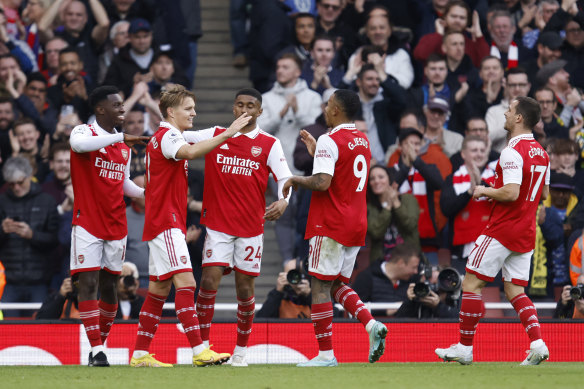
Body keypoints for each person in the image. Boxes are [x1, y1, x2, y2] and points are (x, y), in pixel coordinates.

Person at [130, 85, 251, 368]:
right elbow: (192, 152)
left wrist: (236, 125)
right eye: (188, 108)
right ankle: (199, 350)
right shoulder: (170, 136)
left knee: (159, 290)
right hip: (166, 222)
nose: (194, 113)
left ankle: (139, 354)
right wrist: (228, 133)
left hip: (163, 220)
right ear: (171, 112)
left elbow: (206, 135)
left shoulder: (170, 134)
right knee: (187, 283)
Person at [435, 96, 551, 366]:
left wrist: (485, 190)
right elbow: (543, 194)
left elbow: (510, 192)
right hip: (525, 231)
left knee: (470, 284)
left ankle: (464, 348)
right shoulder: (542, 153)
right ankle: (538, 343)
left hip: (502, 229)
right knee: (515, 291)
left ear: (520, 118)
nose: (506, 115)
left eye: (510, 111)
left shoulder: (512, 151)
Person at [282, 89, 387, 366]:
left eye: (328, 104)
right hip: (355, 223)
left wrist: (294, 179)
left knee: (319, 285)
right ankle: (370, 324)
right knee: (337, 284)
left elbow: (322, 182)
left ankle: (326, 354)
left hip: (330, 222)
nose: (325, 108)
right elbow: (341, 170)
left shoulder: (331, 139)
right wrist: (318, 153)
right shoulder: (362, 139)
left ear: (337, 110)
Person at [194, 88, 293, 367]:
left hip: (251, 227)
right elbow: (182, 140)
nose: (245, 110)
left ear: (260, 111)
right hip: (217, 224)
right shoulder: (216, 133)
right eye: (240, 105)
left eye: (251, 106)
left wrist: (284, 200)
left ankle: (240, 352)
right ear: (233, 108)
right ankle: (202, 348)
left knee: (245, 290)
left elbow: (285, 178)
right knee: (208, 281)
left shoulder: (269, 143)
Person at [69, 85, 149, 367]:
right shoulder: (82, 132)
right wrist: (119, 139)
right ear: (100, 109)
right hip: (88, 221)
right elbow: (79, 148)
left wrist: (145, 193)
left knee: (110, 287)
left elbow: (123, 182)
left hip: (116, 224)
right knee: (88, 283)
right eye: (116, 106)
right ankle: (97, 350)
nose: (122, 110)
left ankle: (98, 347)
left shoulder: (123, 147)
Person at [0, 156, 59, 317]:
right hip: (10, 281)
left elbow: (55, 240)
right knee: (6, 332)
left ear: (29, 176)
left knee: (40, 329)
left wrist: (32, 235)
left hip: (39, 281)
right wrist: (2, 231)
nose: (16, 187)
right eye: (11, 184)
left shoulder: (46, 201)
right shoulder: (2, 202)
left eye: (20, 182)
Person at [366, 164, 419, 262]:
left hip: (409, 261)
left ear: (390, 179)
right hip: (381, 265)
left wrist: (395, 202)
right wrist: (388, 206)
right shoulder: (369, 208)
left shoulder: (408, 200)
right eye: (372, 179)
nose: (376, 181)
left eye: (381, 177)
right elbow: (375, 233)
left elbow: (410, 226)